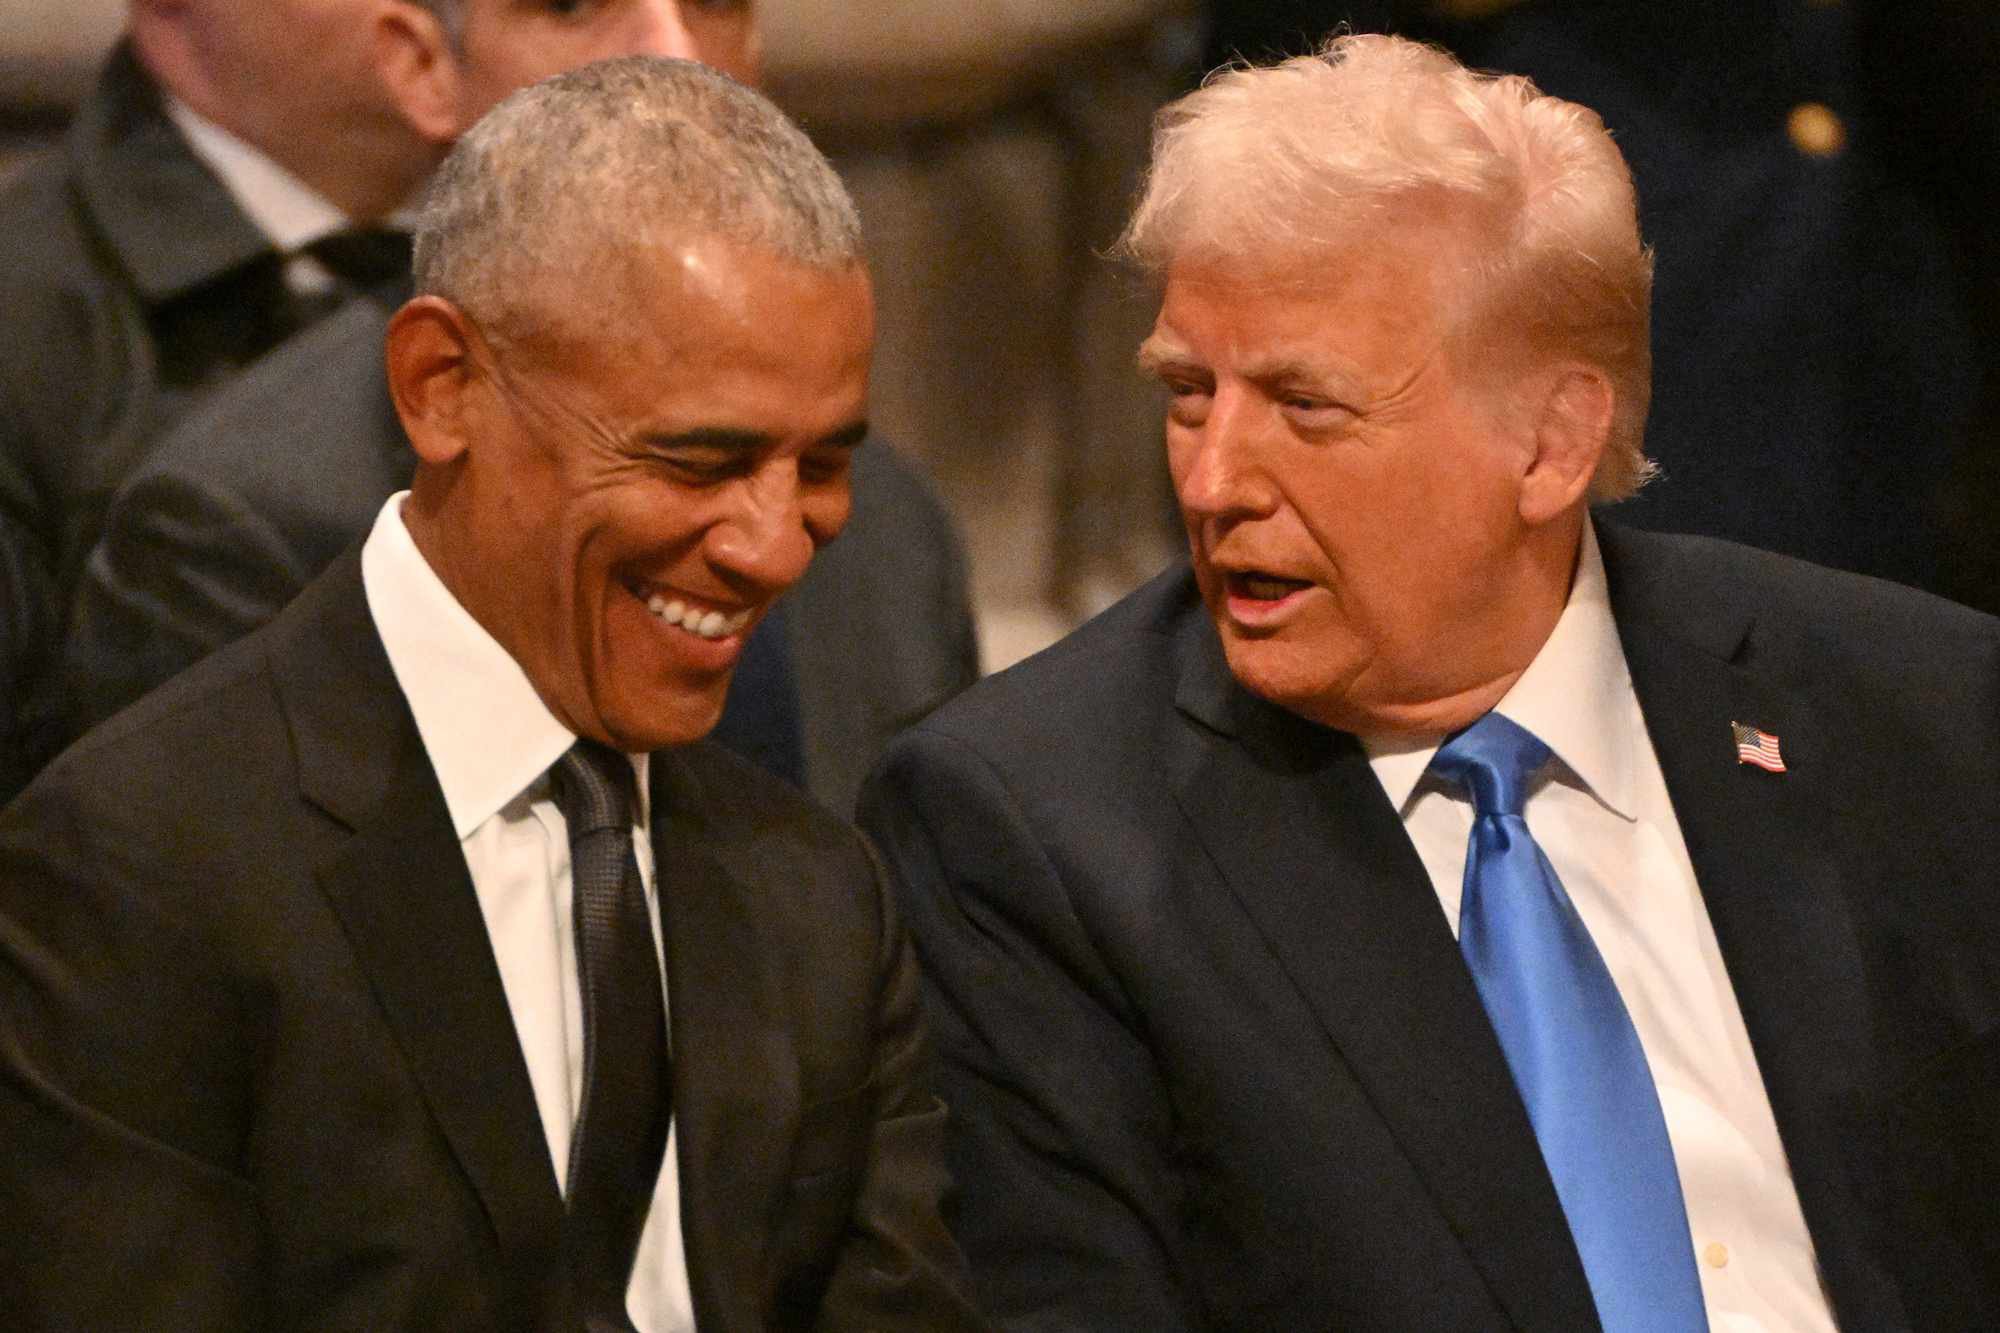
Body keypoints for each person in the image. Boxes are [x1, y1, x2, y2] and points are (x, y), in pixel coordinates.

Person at [861, 34, 2000, 1331]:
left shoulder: (1923, 714)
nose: (1215, 479)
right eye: (1188, 392)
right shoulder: (1033, 833)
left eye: (1306, 403)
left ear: (1552, 440)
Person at [0, 57, 982, 1332]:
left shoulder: (821, 896)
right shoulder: (136, 867)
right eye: (700, 459)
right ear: (442, 388)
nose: (774, 544)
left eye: (821, 466)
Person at [51, 0, 976, 815]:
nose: (673, 50)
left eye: (716, 0)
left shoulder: (898, 539)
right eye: (571, 4)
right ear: (423, 69)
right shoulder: (235, 539)